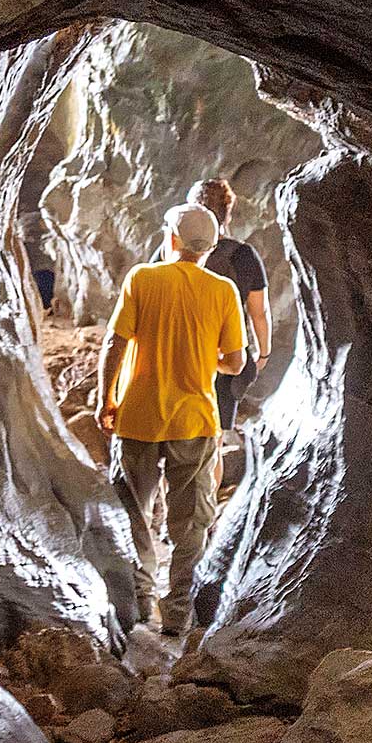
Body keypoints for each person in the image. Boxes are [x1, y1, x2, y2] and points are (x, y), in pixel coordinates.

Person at [96, 201, 246, 633]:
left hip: (138, 417)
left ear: (172, 238)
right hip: (195, 422)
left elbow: (115, 343)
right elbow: (235, 363)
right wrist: (203, 358)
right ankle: (178, 615)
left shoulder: (143, 278)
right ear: (211, 247)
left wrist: (105, 398)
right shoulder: (222, 291)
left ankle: (143, 602)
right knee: (191, 522)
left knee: (137, 513)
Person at [188, 177, 272, 432]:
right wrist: (262, 353)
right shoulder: (244, 256)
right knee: (213, 437)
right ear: (228, 213)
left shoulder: (170, 251)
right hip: (227, 357)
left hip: (181, 355)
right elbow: (259, 312)